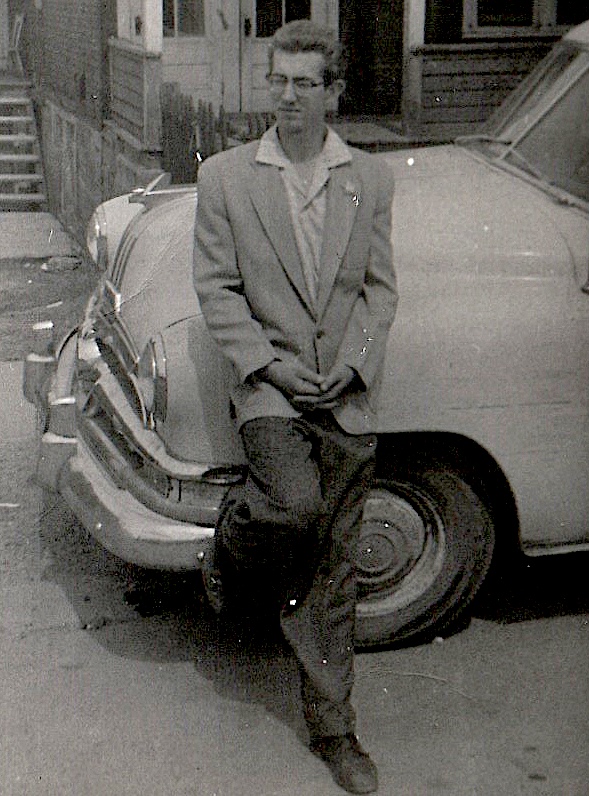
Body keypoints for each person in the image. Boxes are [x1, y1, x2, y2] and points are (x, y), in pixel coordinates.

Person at [193, 19, 397, 795]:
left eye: (304, 83)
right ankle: (230, 544)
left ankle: (335, 733)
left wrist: (351, 366)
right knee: (292, 506)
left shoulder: (369, 179)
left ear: (332, 92)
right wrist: (272, 367)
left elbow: (378, 292)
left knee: (334, 567)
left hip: (342, 390)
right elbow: (218, 291)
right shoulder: (226, 178)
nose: (286, 97)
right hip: (268, 386)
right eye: (276, 80)